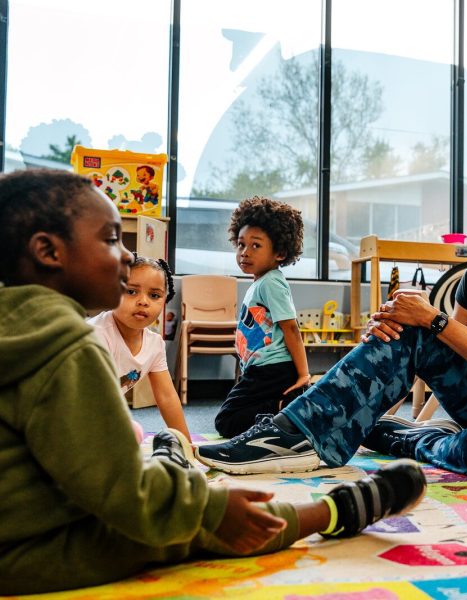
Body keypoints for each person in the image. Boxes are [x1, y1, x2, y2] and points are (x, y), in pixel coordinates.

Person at [0, 169, 427, 594]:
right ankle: (329, 513)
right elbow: (131, 496)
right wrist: (213, 508)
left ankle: (175, 459)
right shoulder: (69, 346)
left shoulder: (19, 326)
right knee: (188, 526)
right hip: (22, 555)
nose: (128, 257)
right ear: (48, 251)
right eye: (112, 239)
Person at [197, 155, 467, 480]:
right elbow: (455, 355)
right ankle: (293, 433)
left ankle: (413, 442)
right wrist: (392, 336)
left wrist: (433, 319)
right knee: (409, 328)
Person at [212, 196, 311, 439]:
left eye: (255, 246)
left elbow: (291, 328)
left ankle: (289, 409)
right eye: (241, 244)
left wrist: (303, 374)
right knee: (234, 417)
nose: (244, 252)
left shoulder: (271, 283)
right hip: (261, 369)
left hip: (272, 369)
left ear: (280, 252)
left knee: (226, 421)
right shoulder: (262, 282)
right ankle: (287, 412)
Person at [89, 255, 191, 441]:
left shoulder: (154, 344)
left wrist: (187, 444)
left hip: (97, 415)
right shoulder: (97, 334)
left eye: (154, 295)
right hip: (60, 411)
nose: (143, 301)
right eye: (131, 291)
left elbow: (167, 397)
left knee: (133, 433)